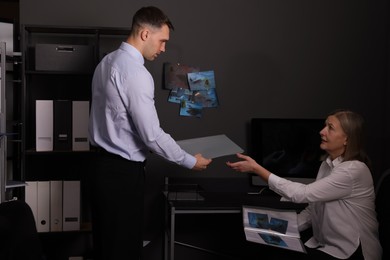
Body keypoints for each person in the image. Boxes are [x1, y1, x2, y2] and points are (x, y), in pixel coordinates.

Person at [88, 6, 212, 260]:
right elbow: (152, 135)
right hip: (122, 175)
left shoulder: (106, 63)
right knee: (122, 250)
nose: (164, 48)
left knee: (106, 246)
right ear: (145, 34)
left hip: (100, 168)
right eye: (162, 41)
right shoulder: (136, 73)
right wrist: (191, 161)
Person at [227, 109, 382, 260]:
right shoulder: (327, 165)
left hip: (353, 252)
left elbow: (301, 194)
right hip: (326, 246)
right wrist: (274, 228)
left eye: (330, 128)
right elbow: (312, 209)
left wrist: (257, 169)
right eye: (324, 125)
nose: (322, 131)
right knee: (266, 247)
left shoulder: (353, 170)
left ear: (347, 139)